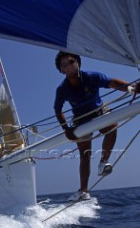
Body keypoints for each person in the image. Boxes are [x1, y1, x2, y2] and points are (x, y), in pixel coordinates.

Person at [54, 51, 140, 201]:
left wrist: (131, 88)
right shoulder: (62, 89)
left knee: (112, 125)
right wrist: (66, 129)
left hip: (99, 112)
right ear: (61, 69)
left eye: (71, 61)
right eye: (64, 65)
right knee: (85, 155)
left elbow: (112, 82)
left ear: (78, 62)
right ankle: (83, 191)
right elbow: (57, 109)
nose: (68, 66)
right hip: (81, 120)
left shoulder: (92, 76)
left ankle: (103, 162)